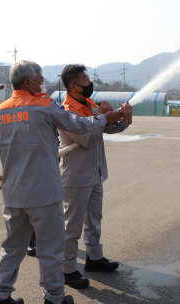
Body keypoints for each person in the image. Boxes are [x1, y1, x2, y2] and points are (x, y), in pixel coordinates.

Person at [0, 60, 123, 304]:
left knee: (12, 246)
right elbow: (79, 125)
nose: (42, 83)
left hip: (14, 194)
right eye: (40, 79)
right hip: (45, 193)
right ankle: (54, 297)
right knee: (50, 248)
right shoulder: (45, 105)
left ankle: (0, 294)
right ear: (28, 81)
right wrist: (105, 118)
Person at [59, 64, 133, 289]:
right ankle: (67, 269)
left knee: (94, 220)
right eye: (85, 78)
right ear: (73, 85)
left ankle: (94, 258)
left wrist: (123, 119)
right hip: (76, 177)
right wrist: (103, 117)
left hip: (95, 173)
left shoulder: (90, 104)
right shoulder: (67, 112)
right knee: (72, 226)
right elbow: (88, 140)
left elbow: (108, 129)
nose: (89, 81)